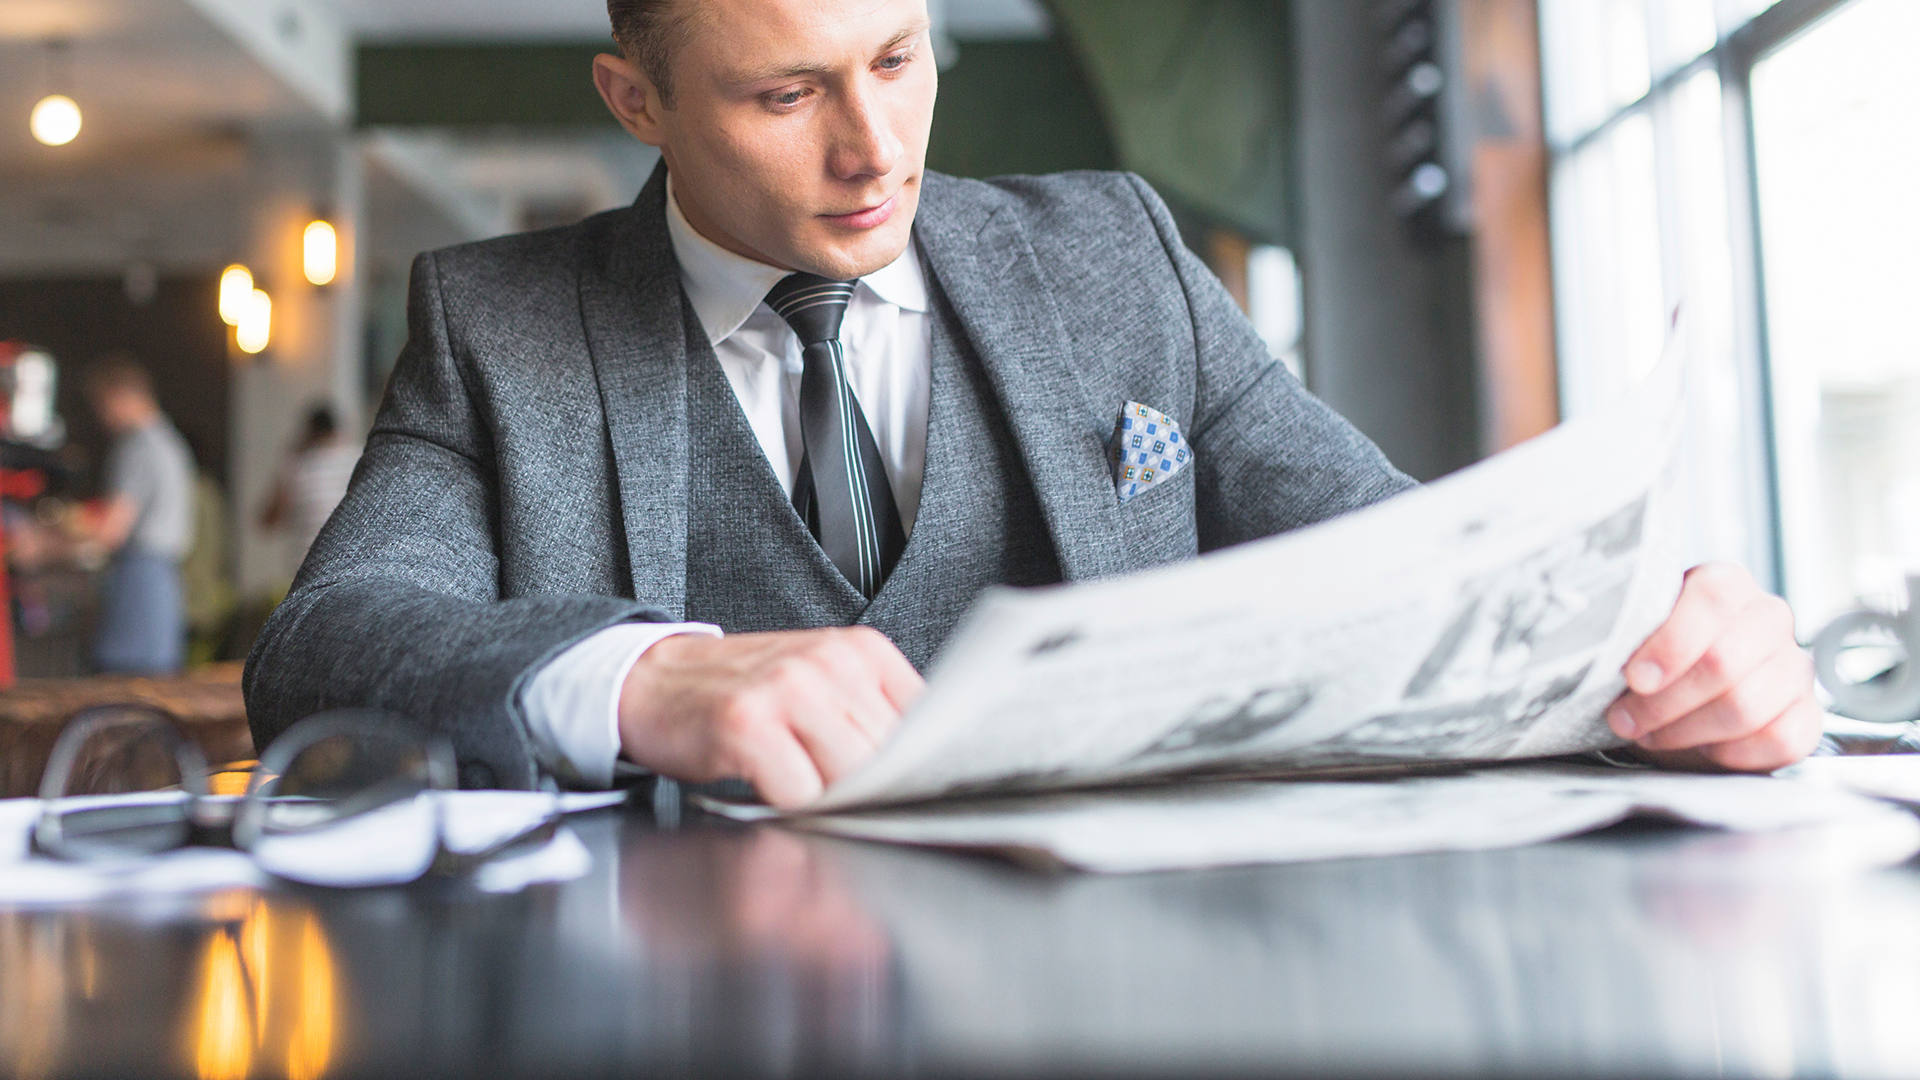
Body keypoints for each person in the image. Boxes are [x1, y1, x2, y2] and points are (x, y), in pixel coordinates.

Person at [244, 0, 1819, 803]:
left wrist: (1654, 653)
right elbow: (325, 639)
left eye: (898, 57)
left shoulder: (1120, 257)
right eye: (786, 95)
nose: (874, 150)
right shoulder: (498, 322)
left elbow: (1411, 568)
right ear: (635, 100)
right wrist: (648, 681)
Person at [82, 355, 196, 675]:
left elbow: (110, 531)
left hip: (139, 579)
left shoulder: (138, 446)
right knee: (153, 696)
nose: (101, 418)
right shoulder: (169, 441)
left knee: (121, 694)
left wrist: (44, 545)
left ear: (122, 396)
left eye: (102, 405)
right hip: (164, 582)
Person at [260, 404, 359, 570]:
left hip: (304, 564)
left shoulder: (296, 464)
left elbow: (269, 521)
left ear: (308, 432)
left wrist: (288, 457)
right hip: (348, 561)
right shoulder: (355, 459)